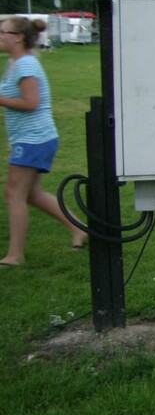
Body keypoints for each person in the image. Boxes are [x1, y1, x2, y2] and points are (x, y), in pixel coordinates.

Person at [0, 17, 87, 266]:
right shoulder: (13, 62)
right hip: (31, 139)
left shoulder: (26, 65)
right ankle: (79, 229)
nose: (0, 36)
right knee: (32, 194)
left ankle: (15, 255)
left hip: (34, 140)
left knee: (14, 193)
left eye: (3, 32)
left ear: (18, 37)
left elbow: (31, 102)